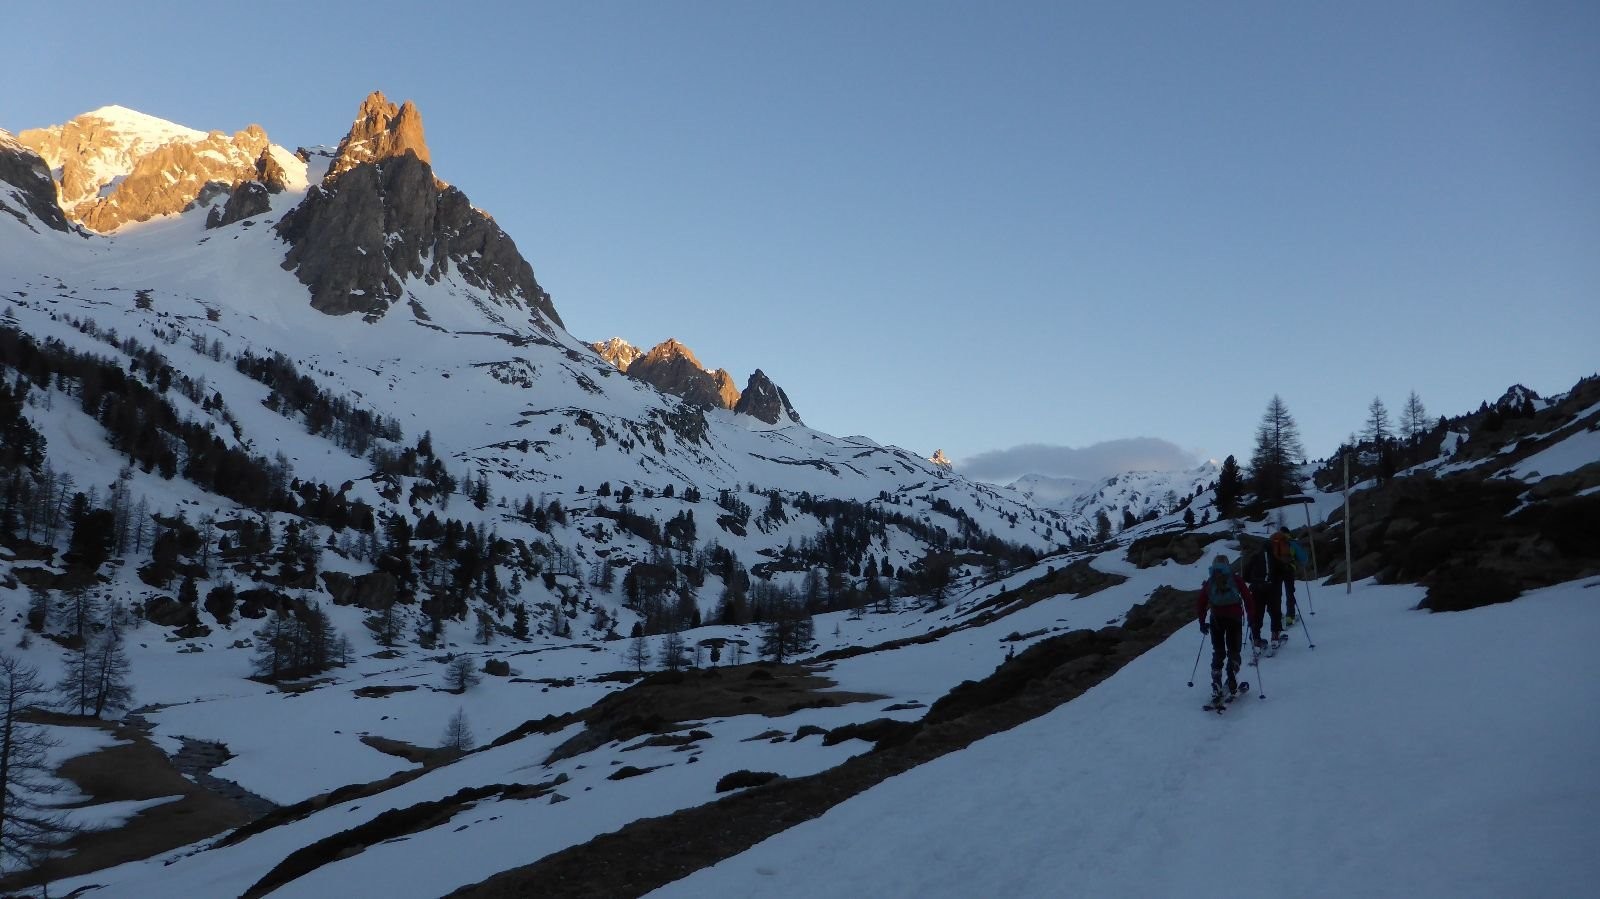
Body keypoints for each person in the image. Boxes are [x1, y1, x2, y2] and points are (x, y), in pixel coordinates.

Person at [1196, 554, 1254, 702]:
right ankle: (1232, 673)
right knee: (1234, 650)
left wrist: (1202, 622)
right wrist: (1251, 616)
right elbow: (1247, 597)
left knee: (1219, 651)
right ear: (1227, 565)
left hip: (1216, 619)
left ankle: (1216, 681)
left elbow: (1201, 602)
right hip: (1234, 618)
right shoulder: (1235, 579)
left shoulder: (1210, 582)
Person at [1243, 545, 1282, 651]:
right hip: (1272, 588)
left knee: (1257, 614)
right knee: (1275, 611)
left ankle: (1256, 640)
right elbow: (1281, 572)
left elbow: (1245, 575)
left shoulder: (1255, 557)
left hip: (1256, 589)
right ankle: (1275, 636)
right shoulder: (1275, 557)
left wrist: (1254, 581)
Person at [1269, 526, 1299, 627]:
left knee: (1277, 594)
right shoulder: (1290, 542)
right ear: (1288, 533)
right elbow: (1302, 558)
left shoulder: (1273, 541)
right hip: (1288, 570)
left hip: (1276, 571)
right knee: (1289, 592)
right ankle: (1290, 617)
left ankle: (1277, 616)